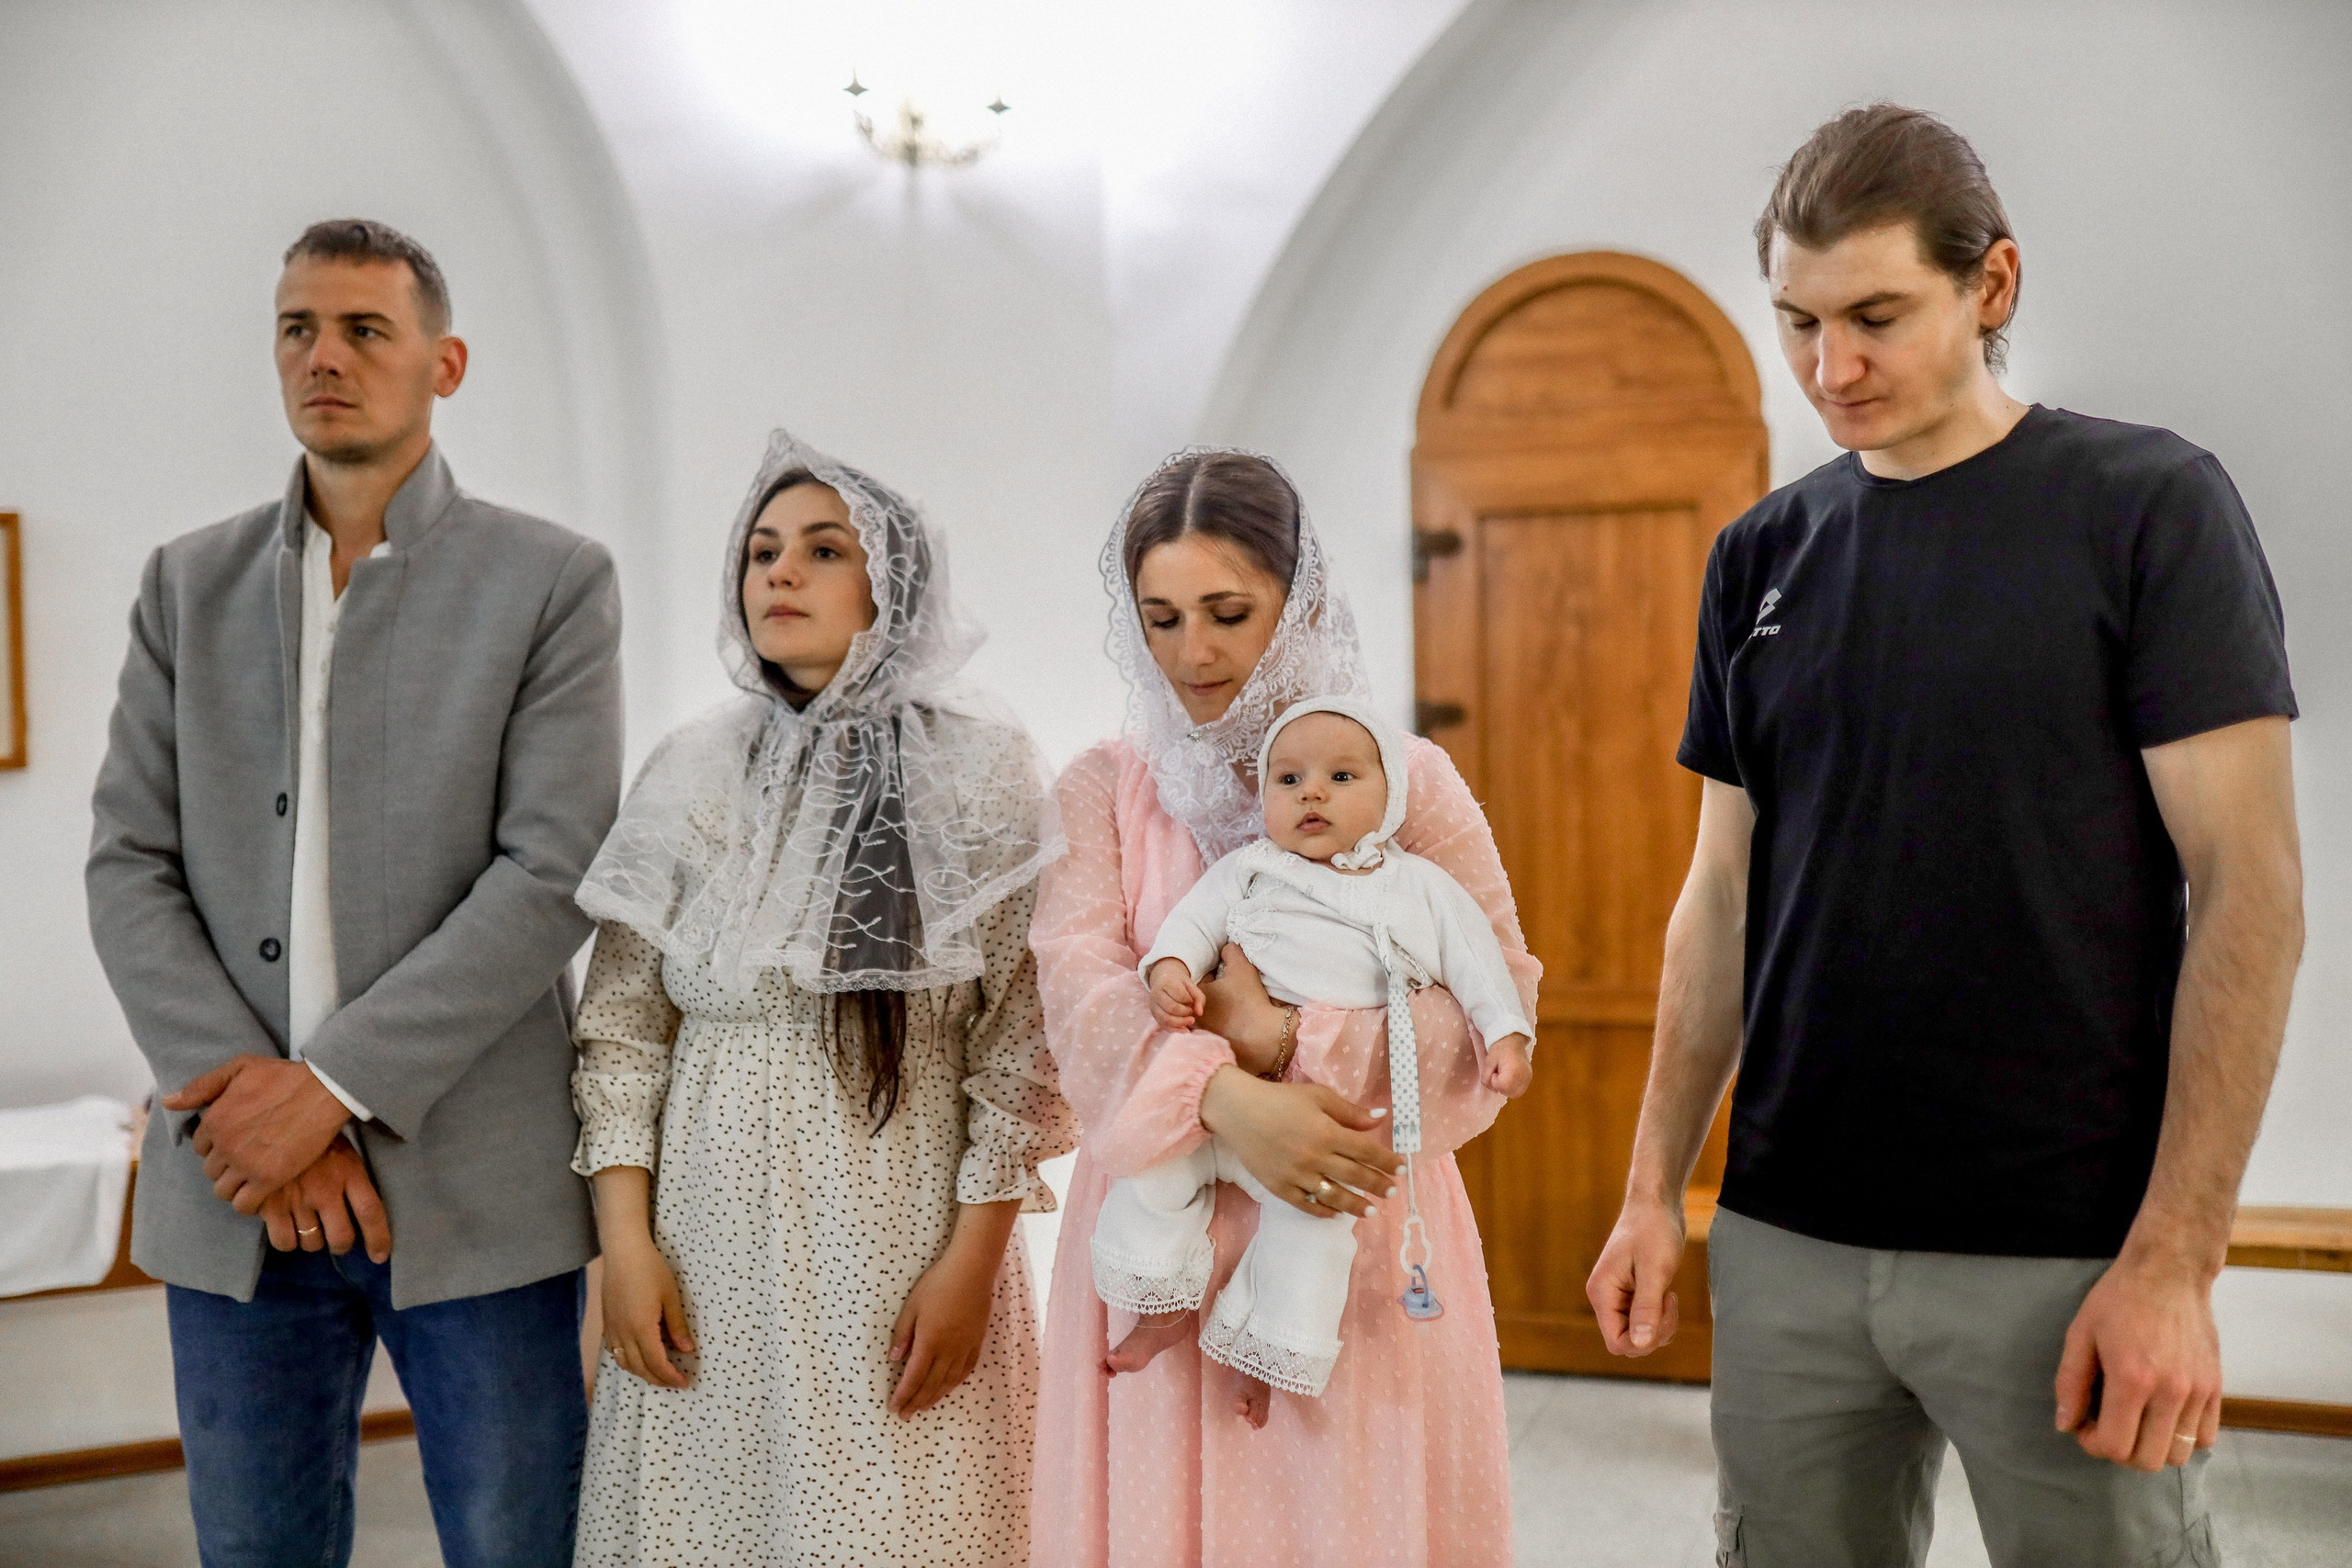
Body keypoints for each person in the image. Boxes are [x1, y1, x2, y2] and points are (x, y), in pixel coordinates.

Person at [1586, 105, 2302, 1568]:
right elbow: (1719, 894)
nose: (1829, 367)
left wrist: (2176, 1258)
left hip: (2067, 1242)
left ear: (1994, 286)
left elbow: (2252, 894)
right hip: (1790, 1233)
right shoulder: (1762, 555)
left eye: (1875, 316)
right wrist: (1650, 1189)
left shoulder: (2147, 508)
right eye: (1796, 321)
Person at [86, 219, 623, 1566]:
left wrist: (323, 1093)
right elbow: (126, 861)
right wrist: (254, 1113)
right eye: (296, 328)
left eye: (363, 329)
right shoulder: (185, 584)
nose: (323, 355)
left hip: (477, 1189)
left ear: (444, 363)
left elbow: (553, 870)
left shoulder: (551, 579)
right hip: (233, 1195)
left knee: (521, 1544)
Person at [567, 430, 1074, 1567]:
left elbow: (1020, 1055)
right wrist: (624, 1248)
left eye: (821, 550)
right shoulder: (688, 768)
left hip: (901, 1242)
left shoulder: (983, 773)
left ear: (890, 586)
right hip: (704, 1240)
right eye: (760, 551)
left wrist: (973, 1265)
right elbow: (622, 1033)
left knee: (898, 1525)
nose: (779, 575)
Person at [1030, 449, 1540, 1568]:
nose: (1192, 654)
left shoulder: (1402, 781)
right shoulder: (1101, 789)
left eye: (1226, 612)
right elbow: (1078, 1001)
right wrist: (1224, 1096)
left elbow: (1493, 1000)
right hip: (1153, 1217)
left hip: (1348, 1201)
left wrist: (1293, 1045)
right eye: (1159, 618)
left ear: (1297, 603)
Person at [1101, 695, 1532, 1421]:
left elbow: (1481, 966)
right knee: (1153, 1157)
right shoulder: (1246, 870)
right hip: (1228, 1102)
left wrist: (1507, 1038)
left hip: (1328, 1122)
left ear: (1390, 795)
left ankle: (1267, 1355)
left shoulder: (1419, 888)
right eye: (1290, 779)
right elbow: (1189, 927)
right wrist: (1169, 970)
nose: (1313, 794)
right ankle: (1159, 1304)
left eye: (1341, 776)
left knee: (1314, 1235)